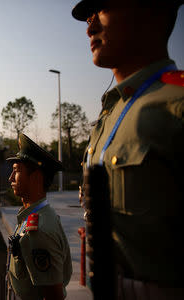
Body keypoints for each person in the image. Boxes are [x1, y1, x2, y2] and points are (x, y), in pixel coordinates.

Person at [72, 0, 184, 298]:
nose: (90, 27)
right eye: (88, 17)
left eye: (103, 7)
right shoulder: (110, 113)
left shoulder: (176, 106)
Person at [5, 133, 72, 300]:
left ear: (35, 178)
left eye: (16, 171)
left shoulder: (39, 231)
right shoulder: (34, 216)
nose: (10, 178)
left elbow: (53, 296)